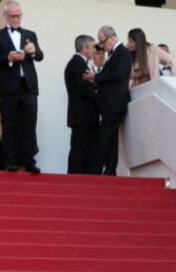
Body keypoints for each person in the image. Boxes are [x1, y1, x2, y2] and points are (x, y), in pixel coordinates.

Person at [0, 1, 43, 174]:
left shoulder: (30, 34)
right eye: (12, 16)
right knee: (9, 124)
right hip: (9, 86)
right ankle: (11, 160)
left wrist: (34, 51)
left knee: (30, 124)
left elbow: (40, 56)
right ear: (5, 16)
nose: (16, 19)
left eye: (19, 15)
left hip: (28, 86)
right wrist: (9, 58)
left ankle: (29, 161)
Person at [82, 26, 131, 176]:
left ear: (111, 38)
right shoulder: (115, 54)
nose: (102, 46)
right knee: (111, 138)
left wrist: (96, 77)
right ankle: (110, 169)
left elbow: (118, 74)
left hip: (114, 103)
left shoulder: (122, 52)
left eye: (102, 42)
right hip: (111, 103)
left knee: (104, 137)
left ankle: (95, 170)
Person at [64, 35, 99, 175]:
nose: (94, 50)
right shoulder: (78, 64)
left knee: (82, 150)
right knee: (80, 151)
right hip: (83, 117)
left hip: (82, 117)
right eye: (92, 47)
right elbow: (85, 89)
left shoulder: (77, 63)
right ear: (84, 48)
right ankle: (76, 181)